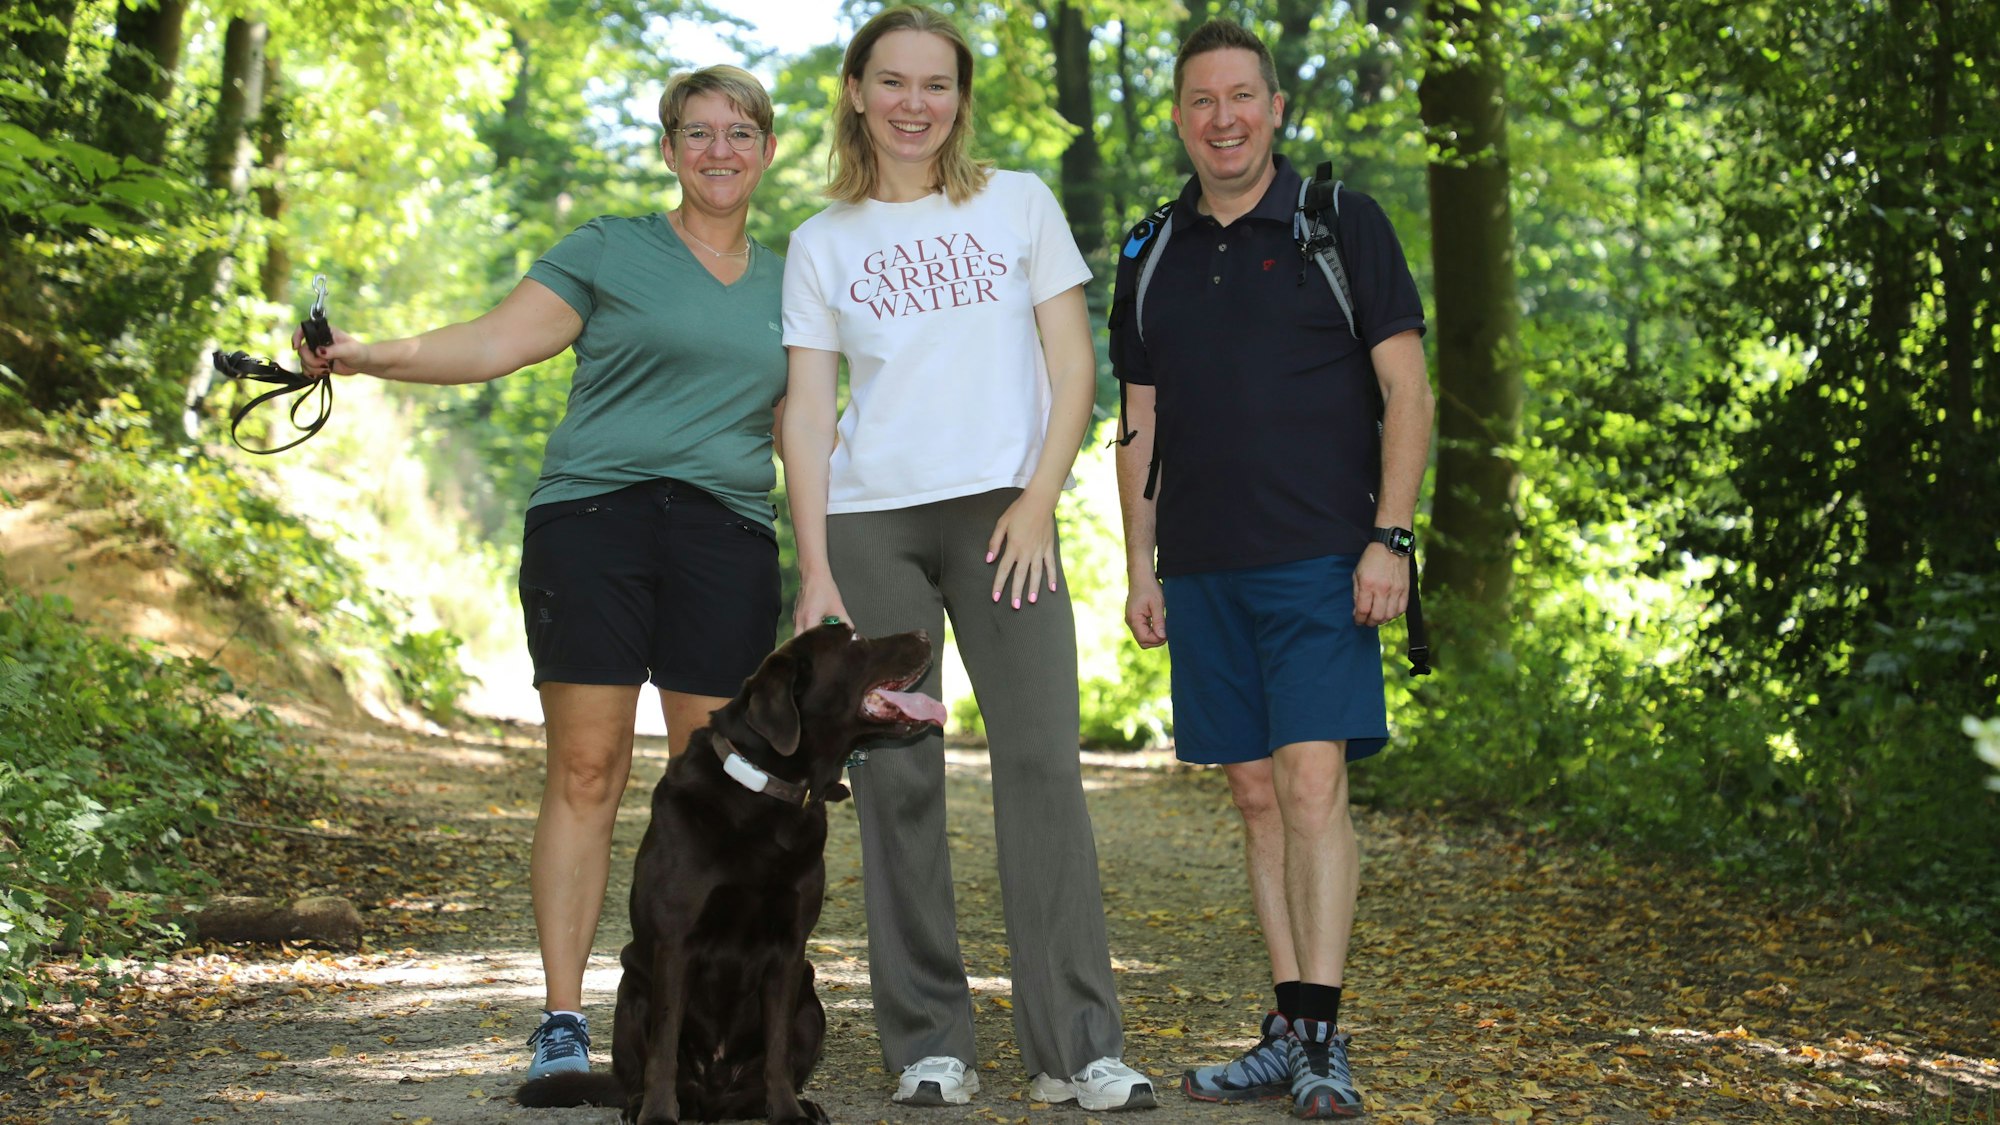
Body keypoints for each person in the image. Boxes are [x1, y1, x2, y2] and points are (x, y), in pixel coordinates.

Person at [296, 65, 788, 1082]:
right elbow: (488, 343)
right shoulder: (608, 249)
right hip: (593, 526)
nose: (718, 151)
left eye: (739, 132)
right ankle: (563, 1024)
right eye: (696, 132)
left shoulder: (798, 280)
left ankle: (700, 1019)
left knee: (714, 789)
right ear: (668, 149)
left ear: (767, 151)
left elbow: (812, 431)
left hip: (726, 539)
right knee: (586, 770)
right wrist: (364, 354)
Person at [779, 5, 1154, 1113]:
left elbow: (1074, 366)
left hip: (1005, 519)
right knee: (895, 780)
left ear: (959, 99)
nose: (911, 103)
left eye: (934, 85)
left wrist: (1041, 497)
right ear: (855, 91)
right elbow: (805, 414)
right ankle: (928, 1045)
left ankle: (1075, 1047)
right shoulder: (821, 240)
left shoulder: (1017, 204)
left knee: (1042, 766)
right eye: (889, 82)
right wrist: (814, 570)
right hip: (868, 526)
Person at [1110, 18, 1435, 1121]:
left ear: (1274, 107)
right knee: (1253, 795)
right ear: (1177, 118)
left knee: (1309, 784)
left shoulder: (1342, 224)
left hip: (1320, 562)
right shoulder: (1150, 248)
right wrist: (1138, 565)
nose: (1221, 119)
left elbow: (1409, 392)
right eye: (1199, 101)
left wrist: (1389, 536)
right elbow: (1136, 422)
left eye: (1240, 96)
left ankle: (1322, 1036)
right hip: (1199, 567)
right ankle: (1288, 1029)